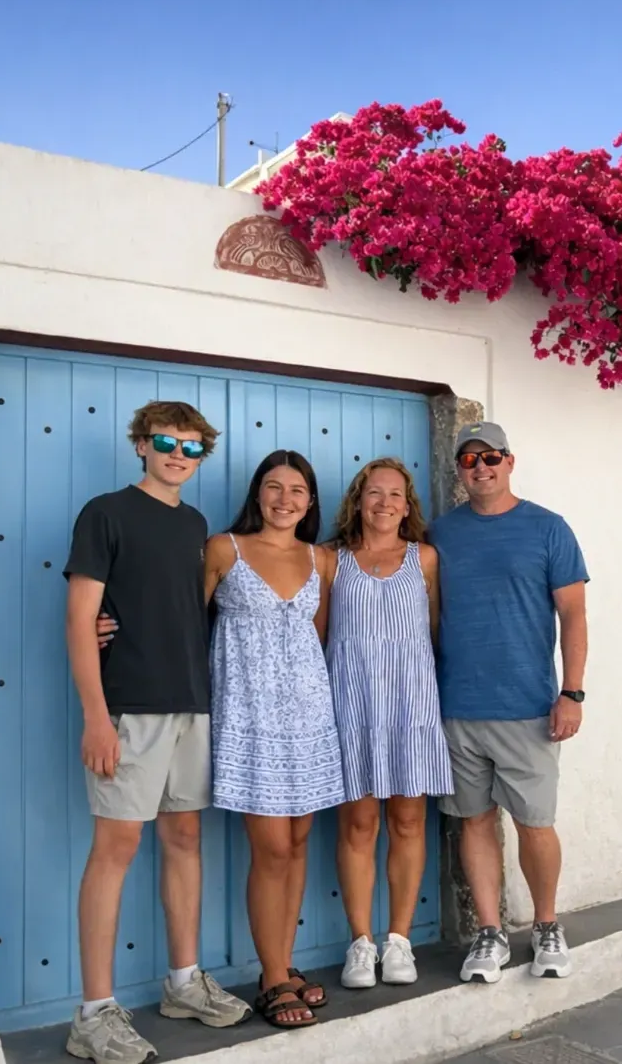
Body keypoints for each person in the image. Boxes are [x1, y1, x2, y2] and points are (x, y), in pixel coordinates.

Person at [62, 400, 250, 1064]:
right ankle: (92, 1013)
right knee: (115, 845)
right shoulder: (105, 512)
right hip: (128, 707)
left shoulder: (196, 523)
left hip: (190, 704)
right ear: (141, 443)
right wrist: (95, 715)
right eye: (166, 441)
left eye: (193, 446)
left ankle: (182, 982)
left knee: (184, 834)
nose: (178, 453)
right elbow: (80, 619)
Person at [426, 422, 589, 984]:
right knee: (473, 821)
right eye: (469, 459)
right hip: (458, 706)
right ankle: (490, 933)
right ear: (460, 470)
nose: (480, 467)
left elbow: (573, 615)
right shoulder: (441, 533)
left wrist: (572, 692)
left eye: (490, 457)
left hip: (528, 707)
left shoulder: (548, 528)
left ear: (509, 461)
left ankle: (546, 925)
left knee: (535, 823)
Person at [204, 449, 347, 1027]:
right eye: (273, 487)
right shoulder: (224, 549)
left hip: (310, 719)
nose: (284, 499)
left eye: (297, 490)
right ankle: (271, 975)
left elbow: (318, 636)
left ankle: (283, 967)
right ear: (257, 494)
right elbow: (182, 623)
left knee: (297, 844)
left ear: (311, 502)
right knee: (270, 849)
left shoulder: (322, 561)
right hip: (249, 720)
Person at [321, 457, 452, 989]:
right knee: (357, 824)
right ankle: (360, 942)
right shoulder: (332, 561)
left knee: (407, 822)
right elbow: (318, 634)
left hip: (411, 706)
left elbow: (437, 632)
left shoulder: (425, 559)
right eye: (374, 493)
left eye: (395, 495)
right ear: (359, 499)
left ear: (408, 504)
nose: (384, 504)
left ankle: (399, 941)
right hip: (352, 705)